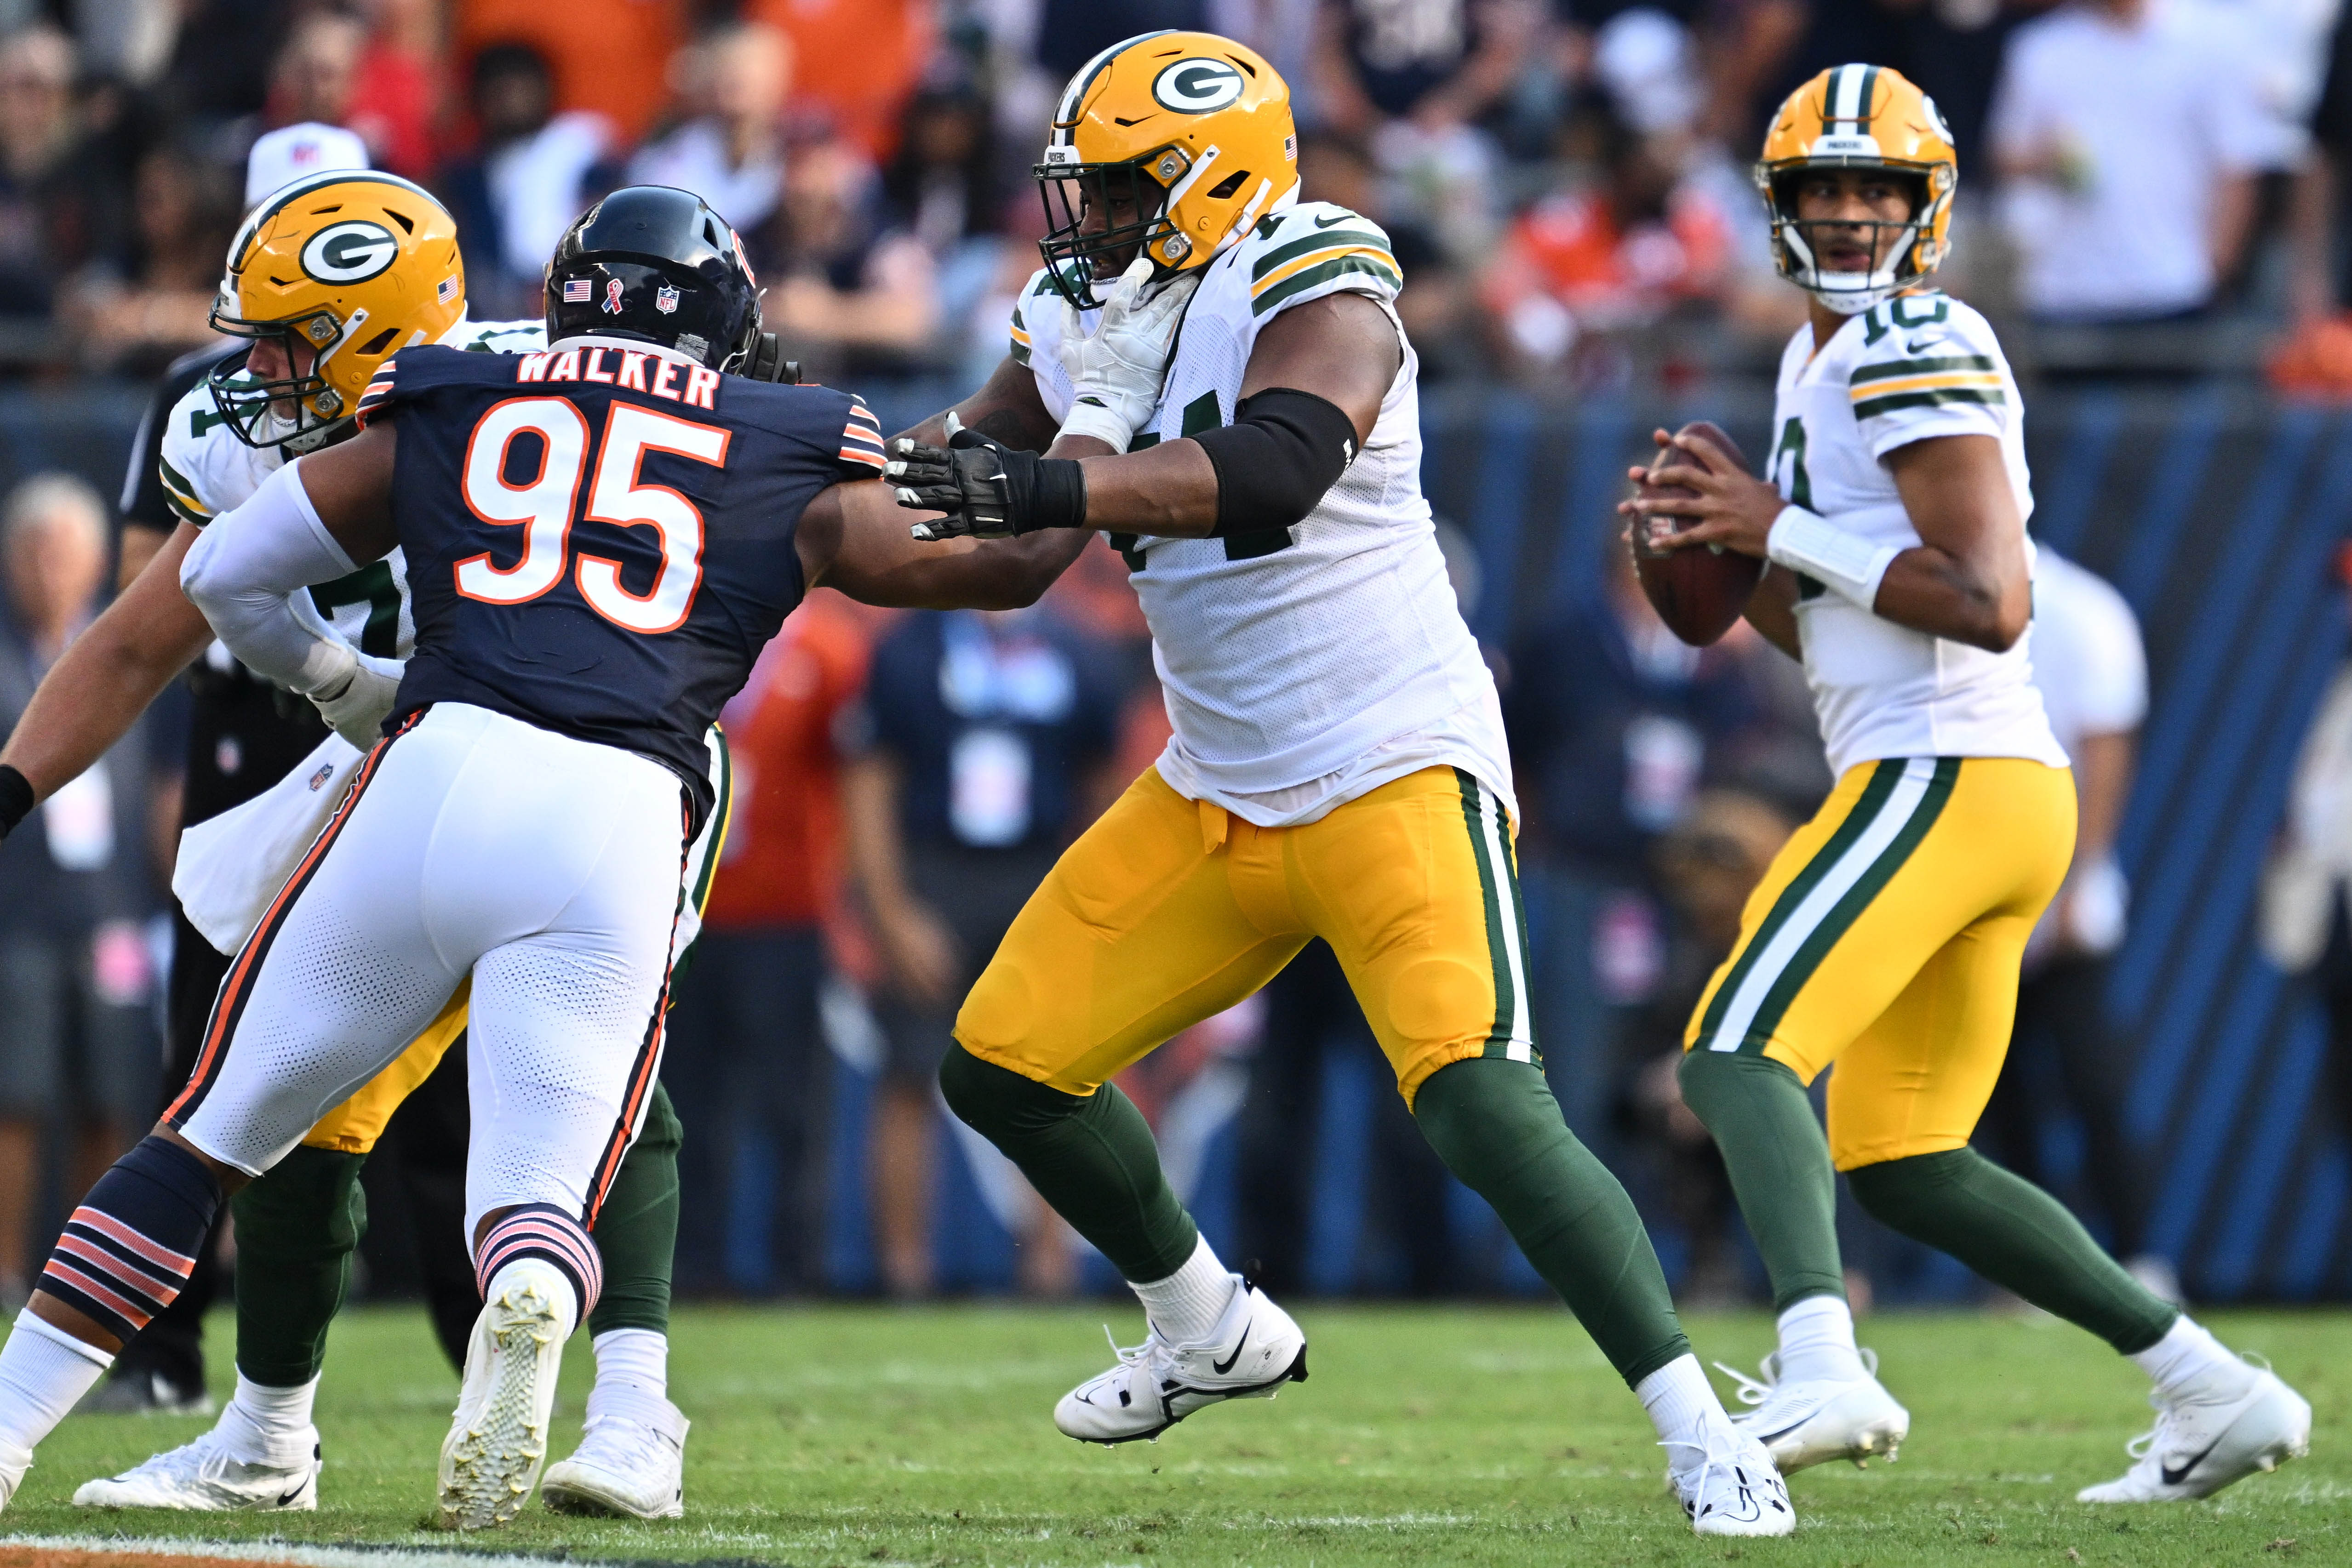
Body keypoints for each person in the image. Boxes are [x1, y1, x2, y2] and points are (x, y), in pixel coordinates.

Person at [0, 182, 1137, 1528]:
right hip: (620, 808)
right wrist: (1092, 423)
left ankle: (15, 1427)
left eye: (289, 341)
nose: (260, 370)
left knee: (209, 1139)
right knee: (549, 1173)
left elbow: (218, 576)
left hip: (433, 762)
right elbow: (996, 563)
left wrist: (346, 682)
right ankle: (537, 1291)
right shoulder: (780, 436)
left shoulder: (450, 396)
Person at [883, 30, 1792, 1537]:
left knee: (1484, 1110)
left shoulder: (1316, 263)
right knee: (1002, 1062)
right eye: (1081, 190)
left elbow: (1277, 461)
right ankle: (1202, 1324)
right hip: (1219, 785)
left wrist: (1050, 479)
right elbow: (962, 484)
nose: (1086, 219)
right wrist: (790, 463)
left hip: (1387, 762)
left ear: (1207, 178)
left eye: (1118, 189)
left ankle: (1705, 1430)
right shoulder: (1083, 303)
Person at [1626, 63, 2310, 1502]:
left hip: (1949, 762)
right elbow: (1820, 620)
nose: (1856, 213)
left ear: (1929, 207)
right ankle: (2212, 1387)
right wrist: (1718, 548)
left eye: (1881, 188)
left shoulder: (1914, 336)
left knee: (1735, 1048)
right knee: (1906, 1156)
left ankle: (1819, 1358)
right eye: (1826, 187)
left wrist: (1776, 521)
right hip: (1958, 774)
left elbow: (1992, 600)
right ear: (1780, 205)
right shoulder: (1818, 356)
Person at [0, 171, 685, 1522]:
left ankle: (623, 1406)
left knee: (260, 1108)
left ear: (381, 334)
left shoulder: (512, 388)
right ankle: (287, 1427)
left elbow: (179, 614)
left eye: (286, 340)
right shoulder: (306, 413)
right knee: (456, 1096)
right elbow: (147, 630)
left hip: (503, 746)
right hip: (431, 757)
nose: (250, 370)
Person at [842, 604, 1122, 1298]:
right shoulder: (912, 647)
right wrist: (891, 909)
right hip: (934, 869)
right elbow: (872, 780)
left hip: (1038, 871)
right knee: (910, 1072)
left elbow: (1107, 787)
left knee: (1050, 1075)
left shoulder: (1076, 650)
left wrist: (1091, 901)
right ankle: (903, 1273)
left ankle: (1051, 1266)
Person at [1978, 548, 2170, 1299]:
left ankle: (2142, 1257)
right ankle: (2031, 1274)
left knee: (2096, 1084)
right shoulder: (1938, 594)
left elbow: (2106, 750)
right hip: (1978, 896)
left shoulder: (2084, 611)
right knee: (1996, 1095)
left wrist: (2074, 886)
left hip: (2062, 898)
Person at [0, 476, 165, 1315]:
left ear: (98, 558)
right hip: (21, 913)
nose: (48, 567)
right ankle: (5, 1273)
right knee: (17, 1097)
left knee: (112, 1094)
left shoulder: (125, 650)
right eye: (33, 550)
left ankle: (86, 1277)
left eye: (63, 549)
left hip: (112, 913)